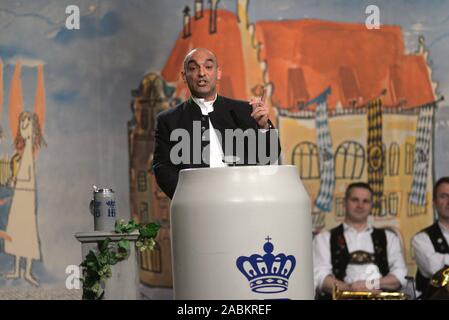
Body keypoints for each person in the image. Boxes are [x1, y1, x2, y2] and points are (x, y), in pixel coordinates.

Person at [152, 48, 279, 199]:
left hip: (245, 200)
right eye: (193, 68)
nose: (201, 73)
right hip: (197, 207)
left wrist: (264, 128)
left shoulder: (245, 111)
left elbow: (270, 158)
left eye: (208, 67)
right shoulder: (168, 120)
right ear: (184, 76)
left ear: (218, 73)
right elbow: (162, 169)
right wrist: (189, 198)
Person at [313, 182, 408, 298]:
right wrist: (349, 289)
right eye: (355, 200)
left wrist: (371, 284)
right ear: (344, 203)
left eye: (365, 201)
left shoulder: (390, 238)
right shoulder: (324, 238)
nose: (360, 205)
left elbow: (400, 275)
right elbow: (320, 277)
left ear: (371, 205)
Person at [412, 177, 449, 299]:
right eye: (443, 196)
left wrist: (443, 260)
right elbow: (433, 268)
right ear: (434, 202)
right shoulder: (421, 238)